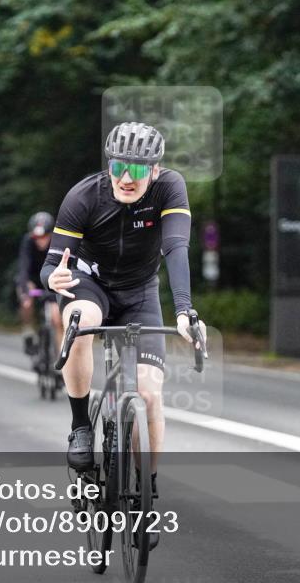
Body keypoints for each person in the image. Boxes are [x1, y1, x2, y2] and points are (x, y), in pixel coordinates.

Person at [41, 121, 207, 549]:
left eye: (137, 169)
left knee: (150, 394)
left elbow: (176, 249)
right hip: (89, 283)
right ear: (109, 165)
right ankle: (80, 425)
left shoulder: (170, 188)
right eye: (118, 167)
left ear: (155, 170)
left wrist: (186, 310)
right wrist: (53, 280)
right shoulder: (83, 196)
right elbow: (50, 265)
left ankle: (148, 497)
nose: (126, 178)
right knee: (80, 321)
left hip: (139, 292)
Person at [16, 212, 62, 356]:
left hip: (52, 281)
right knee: (25, 299)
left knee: (56, 317)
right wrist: (25, 290)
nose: (40, 241)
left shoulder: (59, 243)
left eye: (44, 237)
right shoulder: (28, 242)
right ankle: (28, 332)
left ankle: (60, 357)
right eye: (37, 238)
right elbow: (23, 268)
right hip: (34, 281)